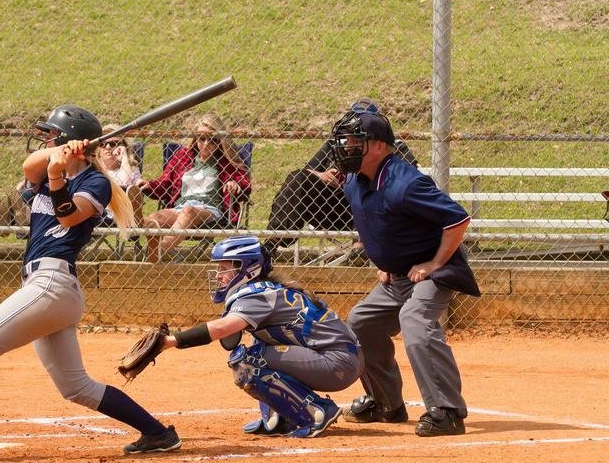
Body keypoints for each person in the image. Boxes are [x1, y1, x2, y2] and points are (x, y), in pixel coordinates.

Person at [0, 105, 181, 461]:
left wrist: (57, 174)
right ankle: (158, 433)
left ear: (69, 139)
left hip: (53, 283)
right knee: (77, 387)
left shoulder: (95, 182)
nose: (46, 141)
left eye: (52, 135)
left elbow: (69, 218)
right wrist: (57, 158)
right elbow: (29, 167)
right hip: (45, 287)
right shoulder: (49, 171)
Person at [329, 105, 480, 437]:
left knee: (415, 318)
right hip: (396, 275)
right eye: (346, 141)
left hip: (433, 273)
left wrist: (435, 262)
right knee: (361, 322)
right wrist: (382, 261)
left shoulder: (406, 182)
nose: (347, 148)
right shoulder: (354, 181)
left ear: (380, 146)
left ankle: (447, 410)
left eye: (357, 141)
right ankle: (386, 403)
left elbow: (457, 219)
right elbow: (374, 222)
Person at [150, 235, 358, 437]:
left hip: (336, 363)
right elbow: (231, 339)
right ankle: (280, 419)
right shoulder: (263, 291)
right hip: (339, 359)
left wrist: (173, 341)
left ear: (248, 269)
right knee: (258, 346)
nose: (218, 275)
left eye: (225, 269)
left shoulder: (257, 295)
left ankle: (317, 413)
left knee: (250, 361)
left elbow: (223, 329)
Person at [266, 98, 418, 254]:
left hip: (376, 209)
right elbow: (308, 171)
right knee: (297, 177)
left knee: (364, 185)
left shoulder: (392, 146)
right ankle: (273, 242)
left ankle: (360, 247)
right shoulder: (338, 143)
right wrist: (322, 175)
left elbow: (408, 177)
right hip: (337, 208)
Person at [136, 114, 250, 262]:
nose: (206, 143)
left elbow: (244, 182)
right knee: (155, 219)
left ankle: (159, 249)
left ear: (220, 141)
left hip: (210, 210)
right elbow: (164, 184)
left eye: (213, 139)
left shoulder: (225, 161)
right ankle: (135, 223)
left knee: (189, 211)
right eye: (202, 138)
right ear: (196, 139)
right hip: (180, 207)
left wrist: (234, 184)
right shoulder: (183, 156)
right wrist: (148, 185)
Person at [96, 124, 143, 225]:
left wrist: (124, 157)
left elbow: (125, 184)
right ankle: (132, 223)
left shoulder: (131, 169)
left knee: (128, 189)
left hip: (120, 210)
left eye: (113, 144)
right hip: (98, 211)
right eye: (103, 144)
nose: (108, 147)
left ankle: (131, 222)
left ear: (122, 146)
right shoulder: (94, 169)